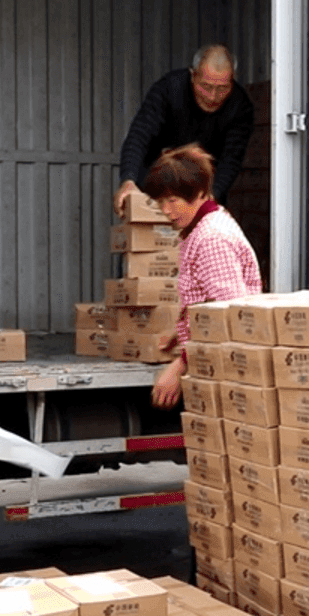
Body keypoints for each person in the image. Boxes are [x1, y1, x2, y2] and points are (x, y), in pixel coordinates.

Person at [141, 144, 261, 408]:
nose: (166, 210)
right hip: (210, 361)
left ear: (198, 193)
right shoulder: (204, 226)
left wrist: (180, 365)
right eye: (161, 202)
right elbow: (207, 299)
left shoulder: (211, 239)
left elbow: (228, 315)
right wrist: (181, 329)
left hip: (223, 368)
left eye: (173, 201)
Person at [113, 44, 254, 217]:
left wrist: (212, 195)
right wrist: (128, 179)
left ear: (233, 81)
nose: (212, 96)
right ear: (193, 76)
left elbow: (231, 159)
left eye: (222, 88)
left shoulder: (240, 106)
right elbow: (139, 135)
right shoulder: (169, 88)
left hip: (204, 188)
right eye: (206, 86)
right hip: (156, 183)